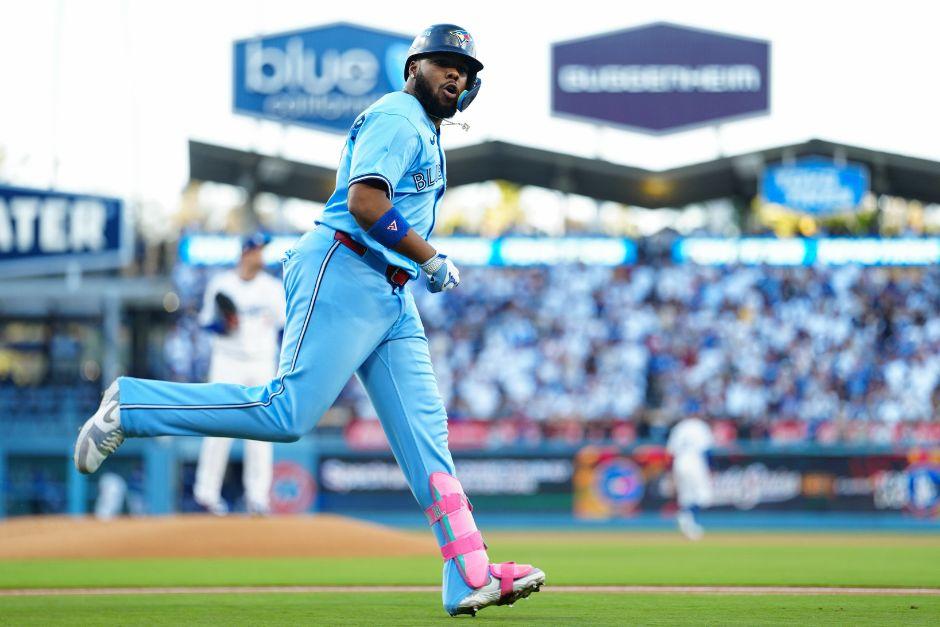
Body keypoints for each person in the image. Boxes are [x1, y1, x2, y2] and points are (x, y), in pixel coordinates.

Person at [73, 24, 544, 616]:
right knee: (286, 413)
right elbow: (366, 202)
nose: (456, 75)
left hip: (390, 292)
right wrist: (430, 255)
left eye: (465, 70)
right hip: (346, 266)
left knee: (428, 439)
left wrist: (415, 264)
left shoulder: (423, 129)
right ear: (412, 68)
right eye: (443, 63)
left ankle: (470, 571)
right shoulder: (399, 115)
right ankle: (131, 405)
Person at [193, 233, 286, 516]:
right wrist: (225, 325)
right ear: (246, 253)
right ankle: (206, 495)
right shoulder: (221, 284)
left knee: (260, 430)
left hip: (261, 362)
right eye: (258, 250)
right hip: (227, 362)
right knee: (218, 426)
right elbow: (207, 323)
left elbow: (284, 323)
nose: (261, 256)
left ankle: (257, 497)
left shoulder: (271, 287)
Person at [666, 416, 715, 540]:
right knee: (704, 496)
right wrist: (710, 468)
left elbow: (670, 452)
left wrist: (670, 472)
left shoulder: (679, 427)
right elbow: (707, 451)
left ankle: (689, 525)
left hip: (679, 462)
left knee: (686, 497)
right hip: (695, 462)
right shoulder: (700, 426)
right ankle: (686, 516)